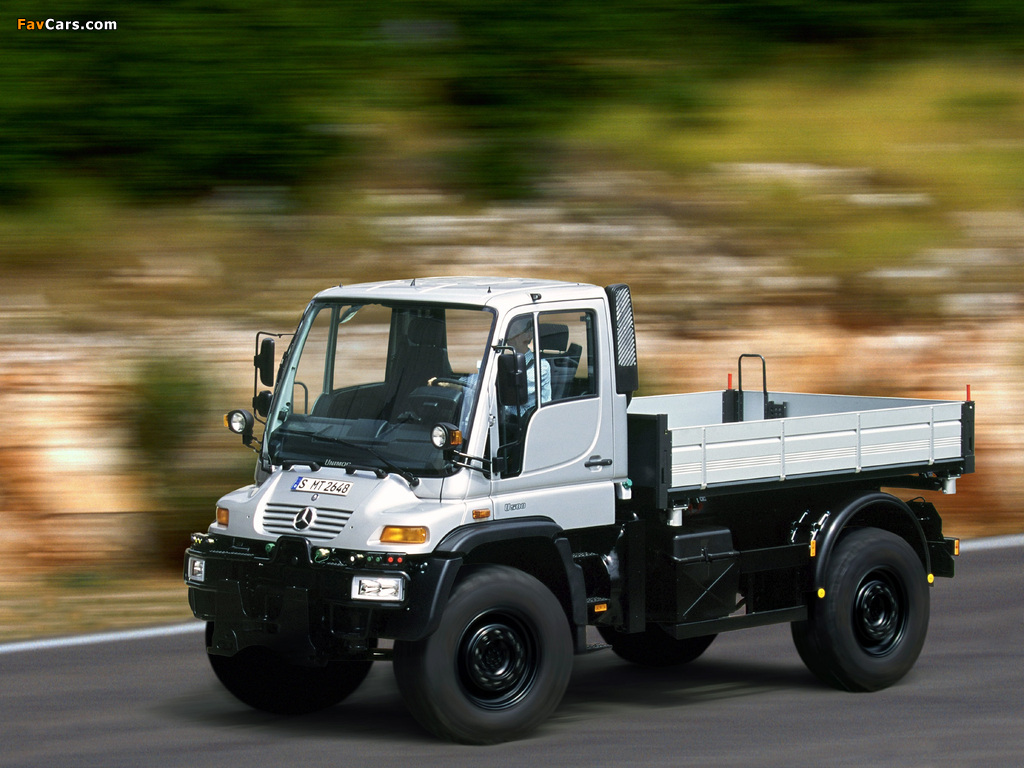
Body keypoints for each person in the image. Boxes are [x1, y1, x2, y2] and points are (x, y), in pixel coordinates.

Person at [506, 315, 551, 412]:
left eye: (515, 331)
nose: (509, 335)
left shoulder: (541, 366)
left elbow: (514, 392)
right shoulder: (510, 360)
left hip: (529, 417)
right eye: (510, 331)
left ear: (528, 336)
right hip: (511, 416)